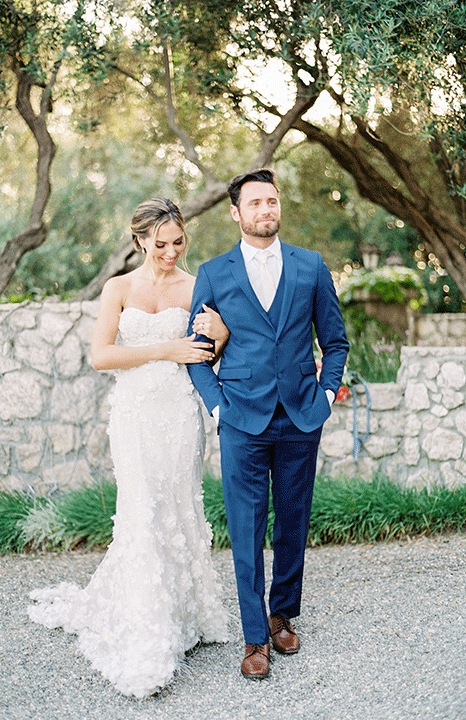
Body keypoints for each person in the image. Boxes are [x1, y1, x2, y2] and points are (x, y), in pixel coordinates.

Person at [28, 198, 230, 698]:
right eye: (159, 244)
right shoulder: (118, 288)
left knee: (180, 507)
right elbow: (101, 356)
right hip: (135, 415)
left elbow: (208, 352)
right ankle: (147, 628)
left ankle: (188, 611)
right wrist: (165, 348)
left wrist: (219, 337)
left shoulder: (197, 286)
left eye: (178, 242)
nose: (170, 252)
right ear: (139, 240)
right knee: (140, 510)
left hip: (181, 414)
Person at [188, 169, 349, 680]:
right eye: (255, 203)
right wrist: (217, 407)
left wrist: (325, 395)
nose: (266, 210)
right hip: (241, 418)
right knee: (246, 527)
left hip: (301, 415)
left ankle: (283, 614)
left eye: (272, 201)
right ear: (236, 212)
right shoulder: (214, 273)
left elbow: (336, 341)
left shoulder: (311, 266)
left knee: (293, 522)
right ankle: (254, 636)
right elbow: (196, 352)